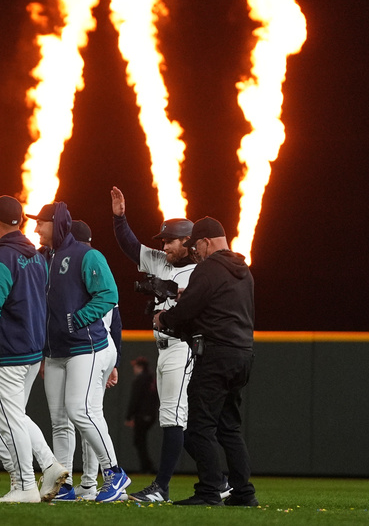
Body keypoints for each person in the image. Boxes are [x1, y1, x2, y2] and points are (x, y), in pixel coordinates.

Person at [0, 196, 67, 503]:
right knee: (16, 416)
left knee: (9, 420)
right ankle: (48, 465)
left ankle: (24, 486)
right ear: (19, 222)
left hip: (7, 353)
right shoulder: (35, 256)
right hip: (32, 351)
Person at [29, 201, 131, 503]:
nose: (36, 228)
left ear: (56, 223)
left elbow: (109, 295)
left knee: (80, 410)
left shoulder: (86, 254)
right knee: (60, 420)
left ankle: (114, 473)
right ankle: (65, 486)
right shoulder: (43, 257)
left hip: (86, 346)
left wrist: (78, 319)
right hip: (56, 350)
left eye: (41, 222)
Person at [154, 217, 258, 507]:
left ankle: (209, 490)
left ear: (206, 241)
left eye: (196, 245)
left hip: (216, 355)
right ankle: (244, 493)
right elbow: (222, 307)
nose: (194, 252)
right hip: (243, 354)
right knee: (229, 427)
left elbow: (187, 312)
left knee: (200, 425)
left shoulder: (208, 268)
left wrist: (163, 318)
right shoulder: (243, 269)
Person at [110, 186, 198, 502]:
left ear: (187, 241)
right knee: (174, 417)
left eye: (169, 240)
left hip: (183, 346)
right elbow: (132, 247)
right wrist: (120, 218)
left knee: (173, 417)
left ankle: (161, 487)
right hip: (163, 348)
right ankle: (220, 479)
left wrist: (172, 291)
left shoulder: (201, 270)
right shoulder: (161, 260)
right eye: (163, 240)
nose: (164, 245)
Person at [125, 356, 159, 474]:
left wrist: (129, 416)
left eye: (135, 366)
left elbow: (135, 399)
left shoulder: (141, 379)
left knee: (139, 440)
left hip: (142, 415)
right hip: (151, 414)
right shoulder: (152, 379)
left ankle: (147, 467)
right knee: (140, 440)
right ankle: (147, 467)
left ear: (140, 367)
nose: (134, 369)